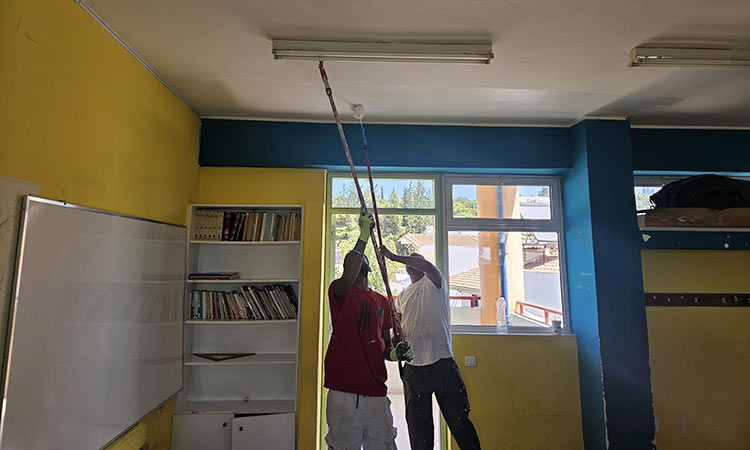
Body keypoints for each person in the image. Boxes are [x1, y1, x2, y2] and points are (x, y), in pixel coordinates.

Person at [324, 213, 414, 450]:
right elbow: (349, 272)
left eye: (360, 258)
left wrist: (396, 354)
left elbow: (385, 348)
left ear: (369, 267)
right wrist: (363, 235)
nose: (357, 260)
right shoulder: (340, 292)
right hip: (343, 390)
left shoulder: (382, 301)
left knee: (384, 445)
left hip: (376, 391)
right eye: (352, 260)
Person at [380, 246, 481, 450]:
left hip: (442, 363)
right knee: (419, 430)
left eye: (416, 259)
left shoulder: (435, 282)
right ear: (408, 269)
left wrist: (392, 256)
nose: (414, 260)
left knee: (459, 422)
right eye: (412, 260)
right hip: (414, 368)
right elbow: (399, 330)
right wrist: (396, 342)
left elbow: (426, 266)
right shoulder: (403, 295)